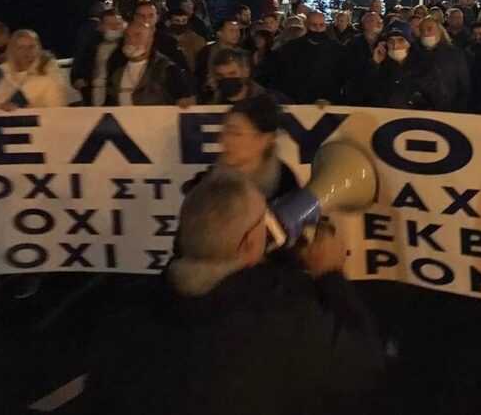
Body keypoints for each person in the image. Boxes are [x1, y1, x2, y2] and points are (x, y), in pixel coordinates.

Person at [91, 167, 383, 415]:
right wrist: (330, 275)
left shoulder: (130, 316)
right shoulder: (283, 323)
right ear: (249, 245)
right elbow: (365, 362)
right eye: (262, 219)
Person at [182, 96, 299, 202]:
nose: (224, 140)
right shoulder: (205, 185)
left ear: (265, 139)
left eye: (235, 133)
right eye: (224, 132)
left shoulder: (285, 184)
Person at [106, 22, 194, 107]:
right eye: (127, 36)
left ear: (150, 40)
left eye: (137, 35)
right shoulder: (117, 69)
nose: (131, 40)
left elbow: (186, 101)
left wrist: (185, 102)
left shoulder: (167, 69)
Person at [361, 23, 442, 110]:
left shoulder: (424, 65)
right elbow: (366, 94)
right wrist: (374, 63)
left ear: (409, 43)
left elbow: (437, 98)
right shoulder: (381, 65)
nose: (395, 46)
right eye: (391, 41)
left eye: (401, 40)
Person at [273, 11, 343, 104]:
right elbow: (284, 75)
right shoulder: (292, 48)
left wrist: (330, 99)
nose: (318, 29)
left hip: (327, 102)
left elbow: (340, 76)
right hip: (297, 101)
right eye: (314, 25)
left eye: (321, 25)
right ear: (306, 25)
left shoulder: (336, 49)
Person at [0, 30, 66, 109]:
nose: (26, 51)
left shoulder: (49, 71)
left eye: (31, 47)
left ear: (38, 48)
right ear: (13, 50)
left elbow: (57, 106)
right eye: (21, 47)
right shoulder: (1, 71)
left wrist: (27, 109)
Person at [71, 9, 126, 106]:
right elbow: (77, 69)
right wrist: (79, 82)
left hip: (115, 96)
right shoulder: (91, 45)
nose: (114, 28)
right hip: (92, 94)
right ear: (101, 26)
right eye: (110, 24)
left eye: (118, 24)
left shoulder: (126, 46)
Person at [417, 18, 471, 112]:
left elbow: (464, 85)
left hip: (451, 110)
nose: (425, 33)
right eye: (422, 30)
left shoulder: (455, 54)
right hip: (423, 111)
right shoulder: (415, 55)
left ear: (440, 31)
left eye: (429, 29)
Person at [207, 49, 289, 105]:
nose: (226, 79)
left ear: (246, 72)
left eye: (232, 73)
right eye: (220, 75)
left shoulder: (274, 100)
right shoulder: (213, 105)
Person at [195, 20, 245, 99]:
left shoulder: (243, 54)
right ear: (219, 33)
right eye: (232, 30)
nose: (236, 34)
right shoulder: (206, 52)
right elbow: (198, 77)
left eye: (238, 30)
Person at [167, 9, 207, 74]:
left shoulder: (198, 40)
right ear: (169, 22)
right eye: (177, 21)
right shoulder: (164, 39)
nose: (181, 24)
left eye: (184, 20)